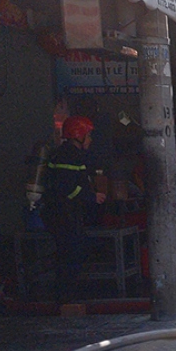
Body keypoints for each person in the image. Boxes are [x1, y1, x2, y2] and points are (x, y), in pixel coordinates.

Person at [42, 115, 107, 302]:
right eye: (88, 135)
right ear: (78, 135)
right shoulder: (68, 155)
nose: (90, 139)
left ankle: (67, 297)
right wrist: (91, 196)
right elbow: (66, 186)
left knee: (72, 254)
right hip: (63, 216)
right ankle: (65, 299)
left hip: (66, 215)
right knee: (70, 255)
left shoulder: (69, 154)